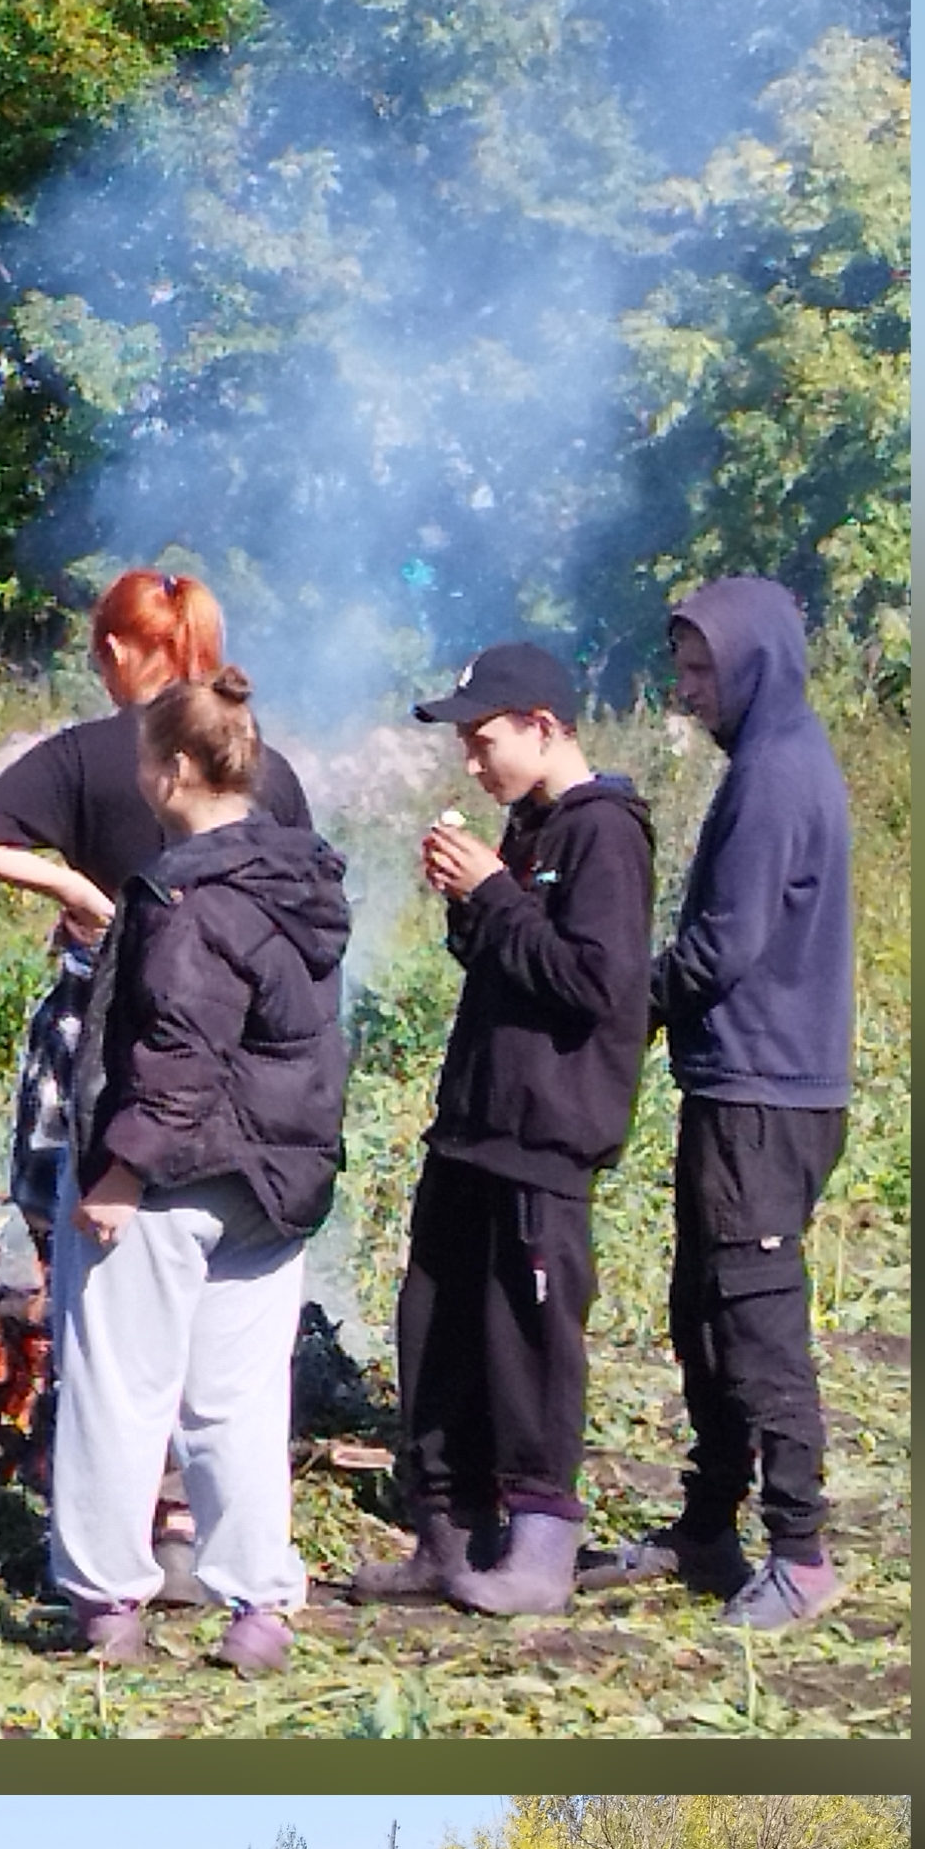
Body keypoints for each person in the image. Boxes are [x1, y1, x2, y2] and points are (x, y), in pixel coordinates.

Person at [0, 566, 321, 1581]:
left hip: (105, 1049)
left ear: (114, 650)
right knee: (223, 1331)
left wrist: (68, 880)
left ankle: (119, 1543)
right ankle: (205, 1532)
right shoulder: (261, 767)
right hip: (247, 1066)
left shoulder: (87, 751)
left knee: (103, 1314)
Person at [47, 668, 355, 1675]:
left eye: (143, 755)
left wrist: (120, 1173)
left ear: (172, 769)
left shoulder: (187, 897)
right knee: (237, 1403)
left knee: (119, 1389)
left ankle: (106, 1604)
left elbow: (179, 1050)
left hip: (176, 1177)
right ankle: (258, 1608)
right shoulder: (301, 880)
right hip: (273, 1184)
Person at [352, 640, 656, 1622]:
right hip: (474, 1124)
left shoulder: (604, 834)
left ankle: (537, 1548)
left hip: (544, 1133)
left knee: (528, 1341)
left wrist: (491, 891)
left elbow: (593, 986)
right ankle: (442, 1534)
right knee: (435, 1326)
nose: (471, 765)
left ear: (543, 726)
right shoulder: (527, 829)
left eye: (484, 741)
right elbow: (509, 957)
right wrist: (469, 900)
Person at [607, 578, 857, 1628]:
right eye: (682, 665)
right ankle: (707, 1524)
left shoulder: (773, 775)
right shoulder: (773, 759)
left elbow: (723, 946)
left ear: (754, 662)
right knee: (701, 1311)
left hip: (763, 1089)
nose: (685, 688)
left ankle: (799, 1553)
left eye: (702, 668)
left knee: (755, 1319)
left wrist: (621, 1003)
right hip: (744, 1082)